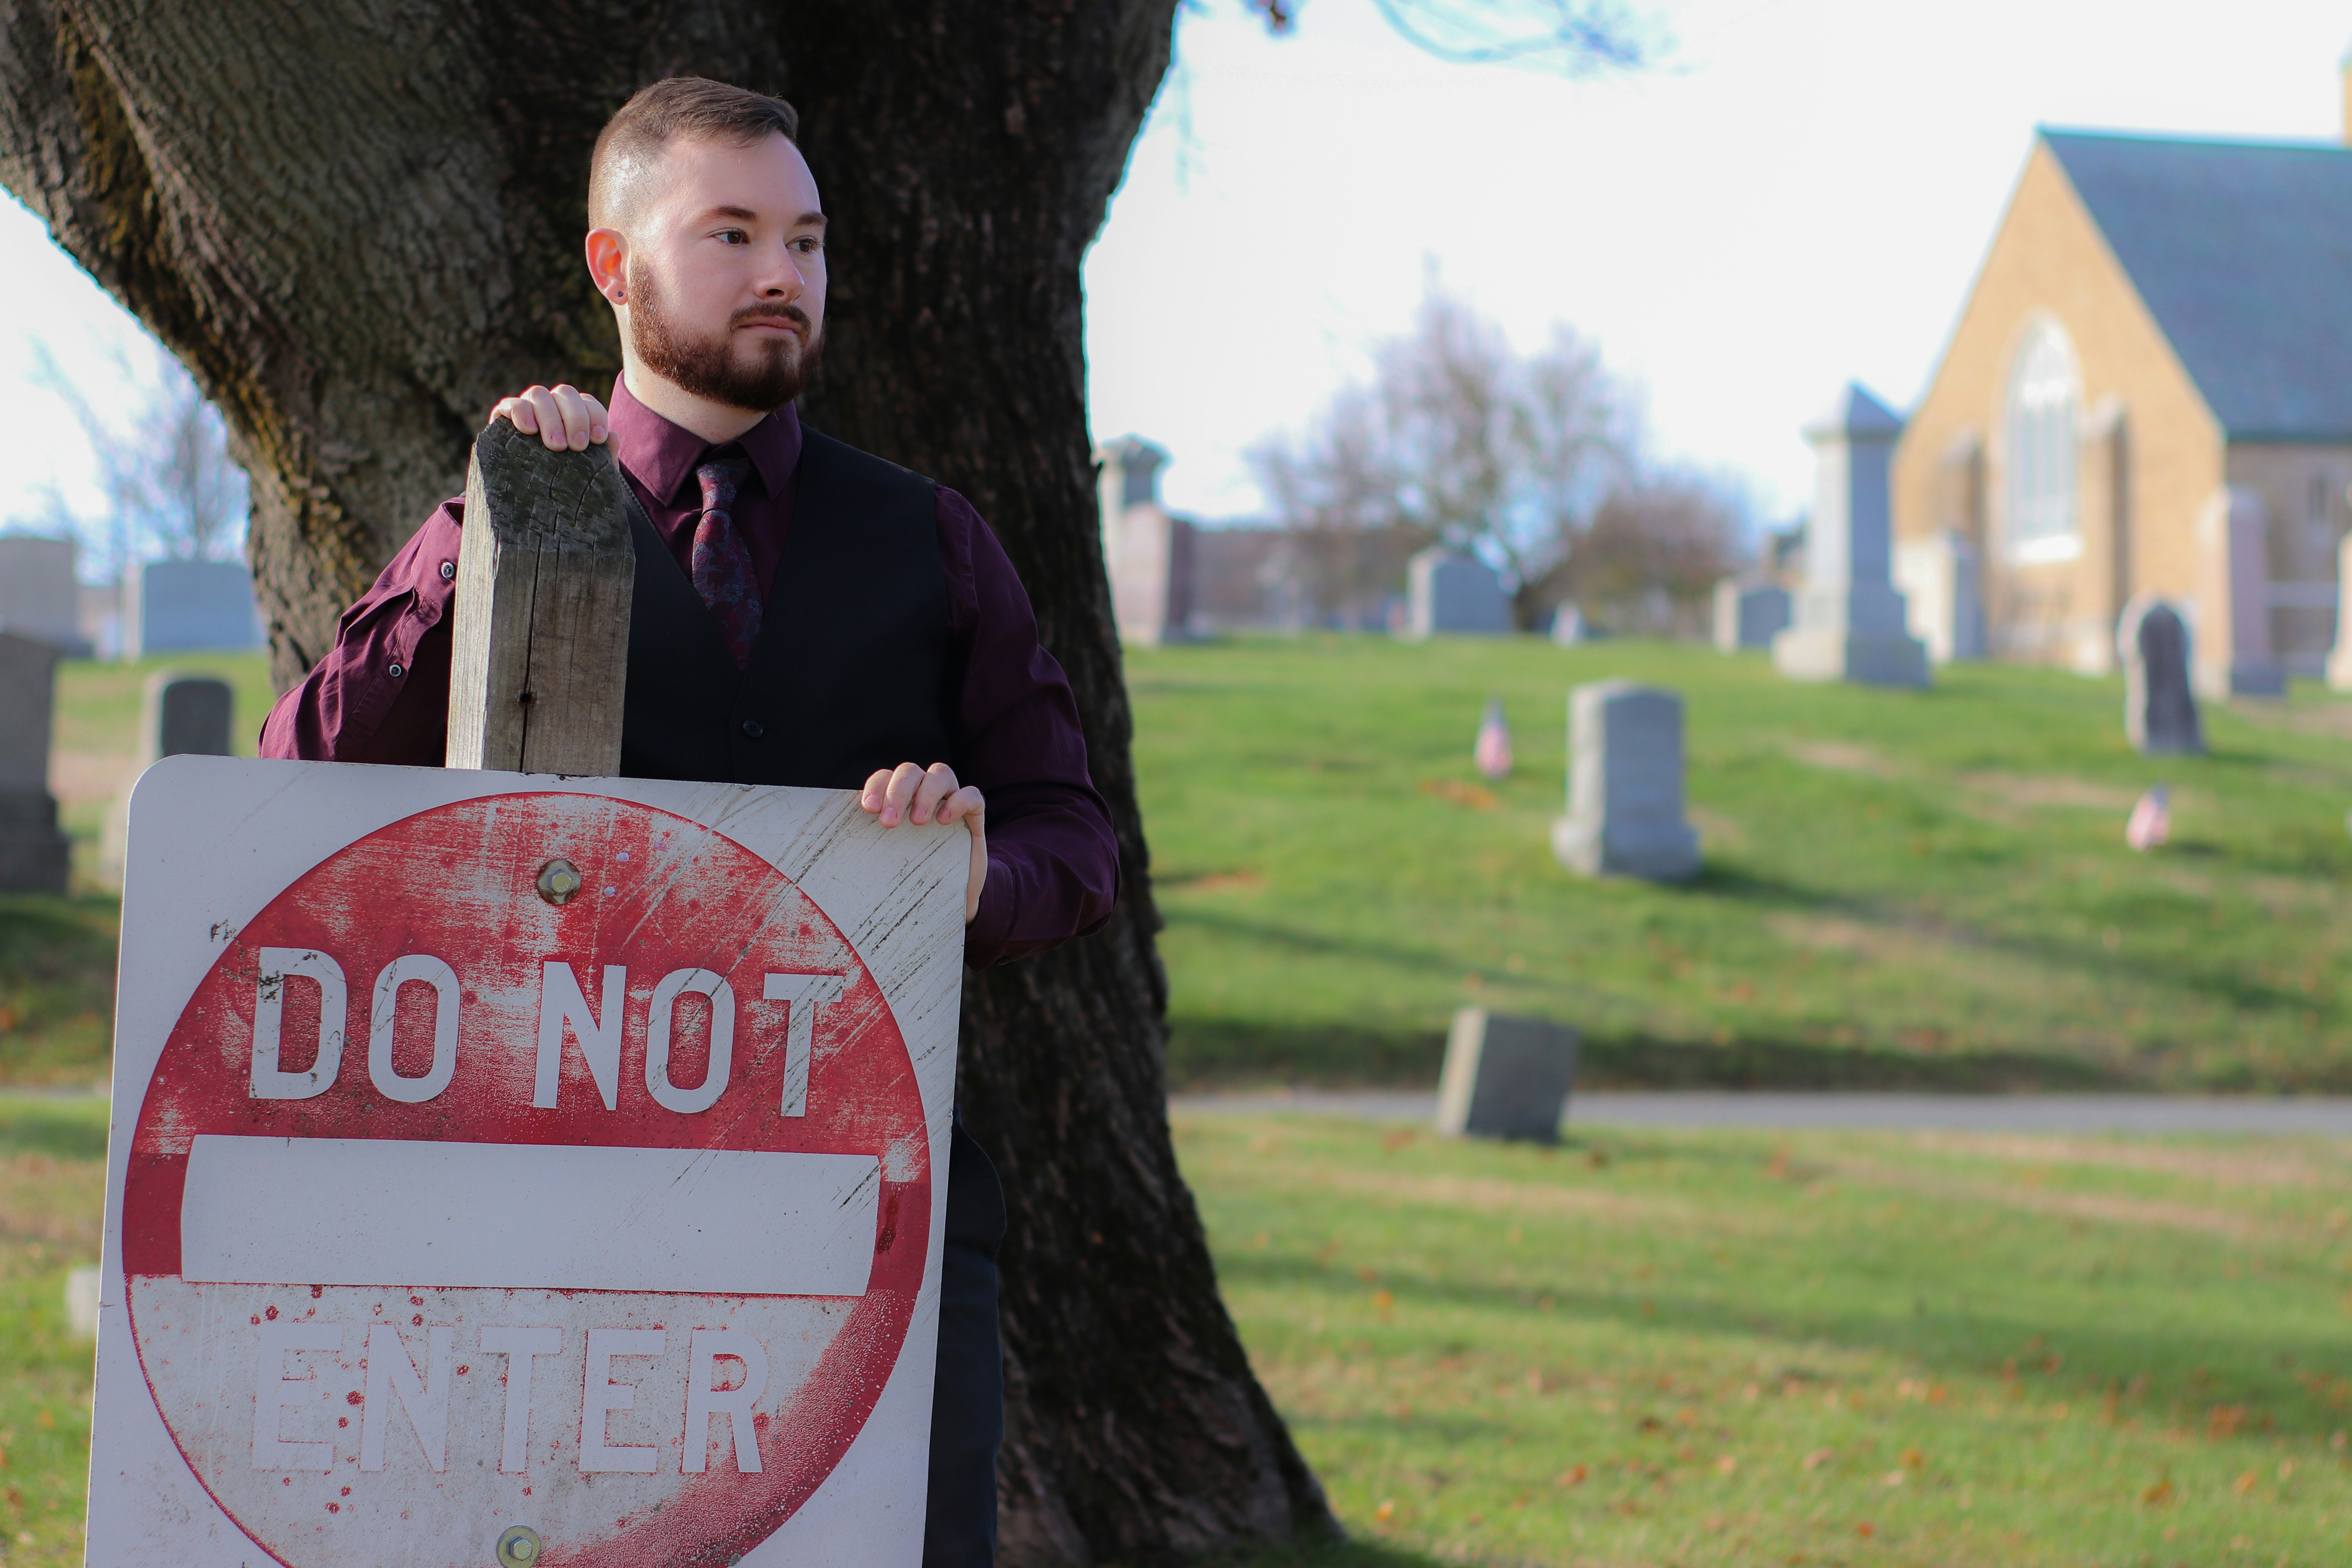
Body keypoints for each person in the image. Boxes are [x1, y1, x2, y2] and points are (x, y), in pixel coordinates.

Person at [259, 74, 1120, 1567]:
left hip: (875, 1221)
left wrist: (974, 874)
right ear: (616, 266)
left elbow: (1076, 840)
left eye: (807, 238)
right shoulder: (511, 517)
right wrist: (488, 523)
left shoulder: (934, 539)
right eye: (731, 233)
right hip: (554, 1235)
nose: (785, 273)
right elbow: (301, 780)